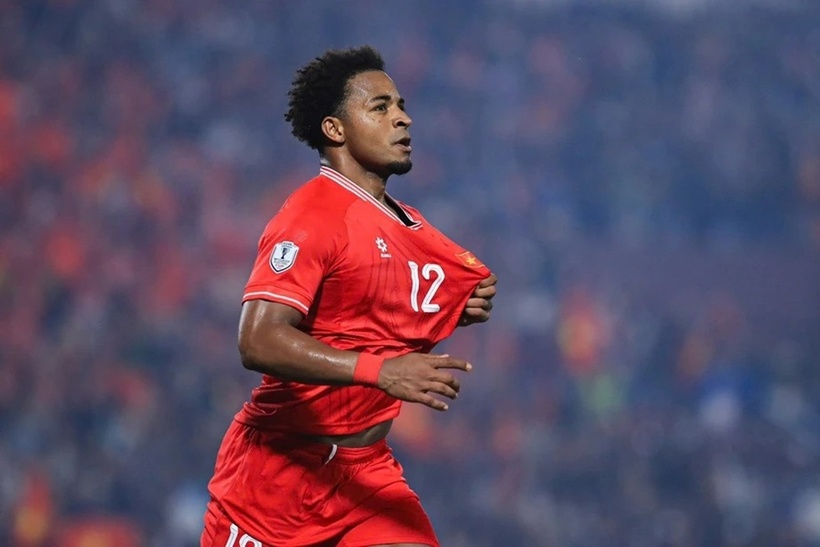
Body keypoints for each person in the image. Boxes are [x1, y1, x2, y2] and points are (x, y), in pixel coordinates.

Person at [201, 45, 498, 547]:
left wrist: (457, 306)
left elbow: (377, 299)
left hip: (365, 474)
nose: (402, 118)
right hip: (277, 475)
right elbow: (257, 340)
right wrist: (382, 371)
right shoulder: (312, 216)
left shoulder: (402, 220)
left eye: (400, 105)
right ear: (335, 129)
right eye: (380, 107)